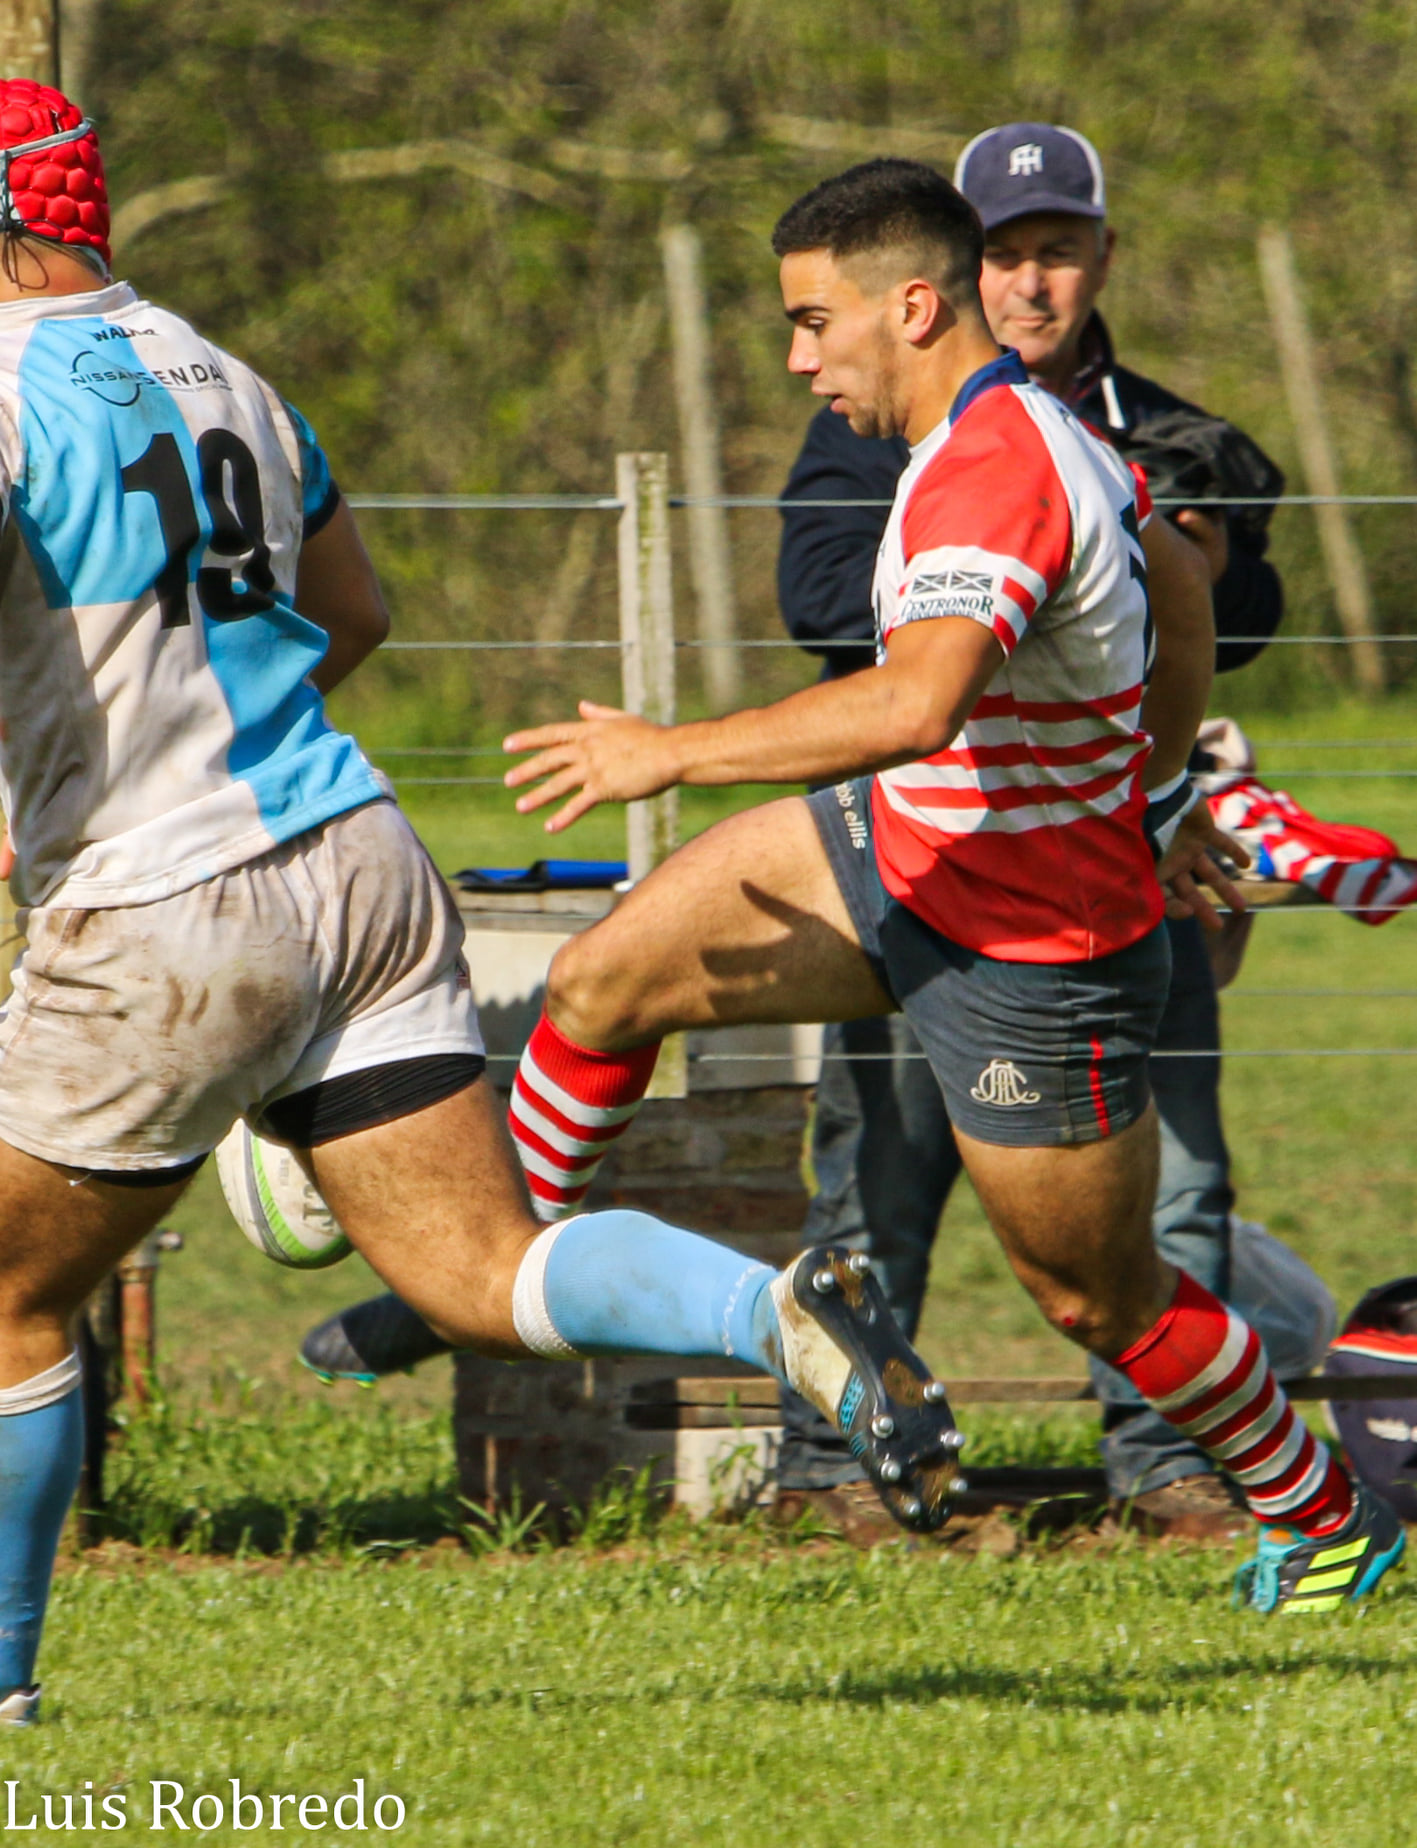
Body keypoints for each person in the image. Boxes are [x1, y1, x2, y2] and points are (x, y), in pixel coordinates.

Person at [0, 82, 963, 1725]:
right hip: (360, 858)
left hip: (168, 904)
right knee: (481, 1272)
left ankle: (3, 1696)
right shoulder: (226, 371)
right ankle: (767, 1302)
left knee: (9, 1301)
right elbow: (350, 610)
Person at [502, 156, 1403, 1617]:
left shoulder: (991, 465)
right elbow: (1171, 585)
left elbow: (915, 702)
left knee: (1097, 1295)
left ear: (909, 306)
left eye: (813, 323)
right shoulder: (1026, 425)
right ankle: (483, 1268)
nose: (798, 361)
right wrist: (1159, 784)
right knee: (606, 979)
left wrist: (671, 750)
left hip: (1034, 939)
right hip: (901, 841)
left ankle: (1323, 1516)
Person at [772, 122, 1307, 1544]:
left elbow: (1237, 613)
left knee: (1162, 1198)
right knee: (871, 1173)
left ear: (1099, 260)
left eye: (1056, 252)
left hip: (1113, 852)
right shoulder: (868, 418)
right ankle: (839, 1474)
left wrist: (1143, 577)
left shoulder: (1167, 432)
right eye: (1003, 254)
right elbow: (821, 599)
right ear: (945, 277)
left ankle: (1172, 1467)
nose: (1030, 283)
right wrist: (1017, 574)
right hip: (924, 856)